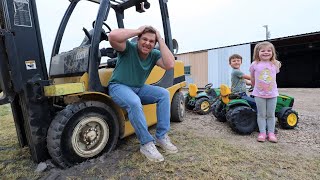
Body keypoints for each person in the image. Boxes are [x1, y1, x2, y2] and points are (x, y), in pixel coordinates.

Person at [107, 25, 177, 162]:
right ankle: (146, 144)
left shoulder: (154, 54)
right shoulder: (128, 48)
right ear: (138, 40)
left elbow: (170, 64)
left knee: (164, 94)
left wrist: (160, 39)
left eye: (151, 41)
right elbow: (112, 36)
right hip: (119, 86)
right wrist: (138, 30)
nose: (147, 43)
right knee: (134, 102)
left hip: (138, 87)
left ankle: (161, 136)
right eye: (144, 39)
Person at [249, 41, 281, 143]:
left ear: (272, 52)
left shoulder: (275, 64)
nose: (266, 52)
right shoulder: (255, 64)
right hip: (259, 94)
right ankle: (262, 133)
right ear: (257, 52)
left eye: (268, 50)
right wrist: (254, 87)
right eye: (263, 51)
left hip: (272, 94)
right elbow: (252, 77)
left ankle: (271, 133)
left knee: (271, 114)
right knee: (261, 114)